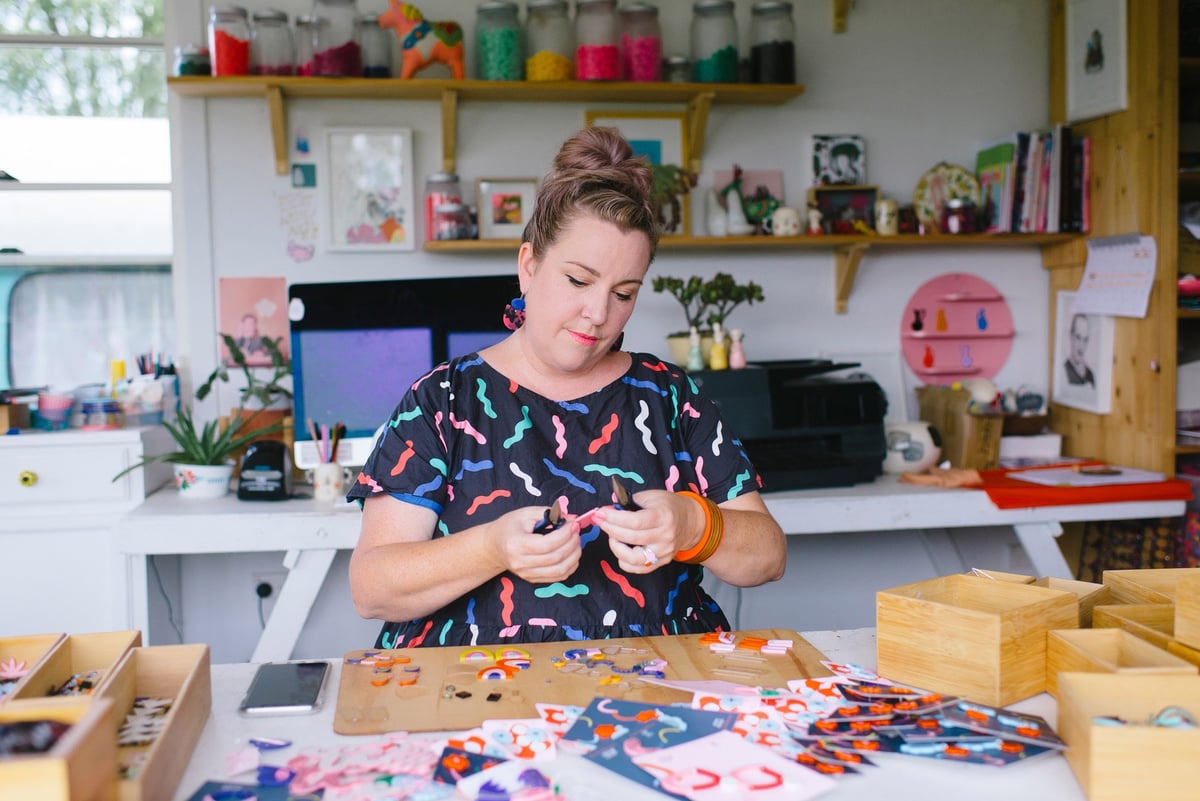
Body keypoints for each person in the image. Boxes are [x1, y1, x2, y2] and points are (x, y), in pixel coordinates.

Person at [347, 126, 788, 648]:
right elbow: (371, 589)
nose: (598, 313)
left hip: (655, 681)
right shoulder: (442, 400)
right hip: (471, 683)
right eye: (579, 280)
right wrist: (492, 548)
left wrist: (695, 524)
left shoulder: (671, 397)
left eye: (624, 293)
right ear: (529, 266)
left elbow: (768, 557)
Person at [1065, 312, 1095, 386]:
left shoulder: (1090, 375)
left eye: (1085, 339)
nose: (1081, 346)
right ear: (1071, 337)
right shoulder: (1063, 371)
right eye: (1078, 337)